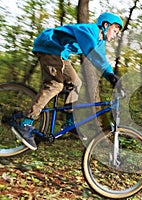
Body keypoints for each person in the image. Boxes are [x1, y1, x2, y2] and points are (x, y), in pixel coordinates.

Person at [12, 12, 123, 150]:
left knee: (76, 83)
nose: (115, 34)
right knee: (55, 85)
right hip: (49, 46)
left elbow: (103, 62)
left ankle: (69, 123)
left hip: (60, 54)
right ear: (106, 25)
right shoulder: (90, 31)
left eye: (117, 32)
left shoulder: (99, 41)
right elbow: (92, 53)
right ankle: (26, 122)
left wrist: (112, 77)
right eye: (114, 30)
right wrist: (111, 77)